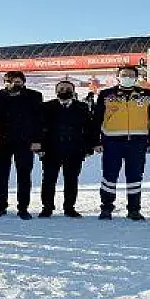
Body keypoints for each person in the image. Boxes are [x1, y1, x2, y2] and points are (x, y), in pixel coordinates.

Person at [93, 66, 150, 221]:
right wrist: (96, 141)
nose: (127, 77)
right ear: (118, 77)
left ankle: (134, 210)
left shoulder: (146, 94)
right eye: (124, 75)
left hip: (138, 142)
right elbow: (96, 119)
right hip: (112, 142)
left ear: (136, 78)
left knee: (135, 176)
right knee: (109, 176)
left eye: (131, 75)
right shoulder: (106, 94)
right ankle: (106, 208)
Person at [0, 70, 44, 220]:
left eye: (18, 81)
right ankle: (0, 205)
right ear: (4, 82)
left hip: (25, 142)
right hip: (2, 141)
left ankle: (23, 207)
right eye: (9, 81)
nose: (14, 84)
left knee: (24, 175)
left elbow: (39, 120)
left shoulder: (34, 96)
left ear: (23, 82)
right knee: (1, 175)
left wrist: (37, 140)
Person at [38, 81, 95, 218]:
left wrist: (89, 147)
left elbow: (89, 129)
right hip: (51, 150)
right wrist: (40, 147)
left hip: (74, 150)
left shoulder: (81, 107)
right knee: (49, 180)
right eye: (61, 88)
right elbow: (39, 128)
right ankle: (47, 207)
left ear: (73, 91)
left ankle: (69, 207)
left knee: (71, 180)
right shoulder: (46, 107)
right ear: (56, 91)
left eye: (68, 88)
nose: (65, 90)